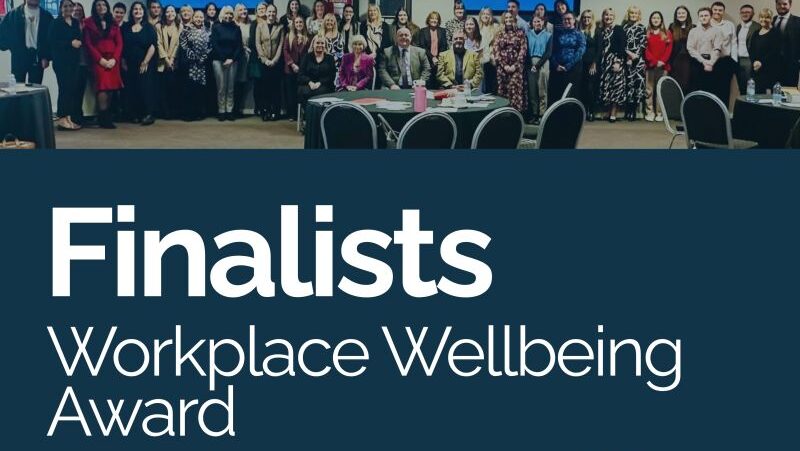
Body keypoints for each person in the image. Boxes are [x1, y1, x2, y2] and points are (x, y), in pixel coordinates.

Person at [84, 0, 123, 128]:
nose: (101, 7)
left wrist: (115, 59)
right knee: (102, 88)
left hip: (112, 60)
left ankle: (107, 115)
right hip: (99, 61)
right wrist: (100, 60)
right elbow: (88, 44)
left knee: (111, 88)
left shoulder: (113, 22)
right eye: (98, 5)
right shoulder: (88, 22)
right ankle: (103, 117)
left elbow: (119, 43)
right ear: (94, 8)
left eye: (104, 5)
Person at [121, 1, 158, 125]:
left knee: (145, 88)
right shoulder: (126, 27)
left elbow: (152, 46)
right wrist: (123, 61)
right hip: (129, 63)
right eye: (135, 9)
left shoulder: (149, 27)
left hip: (145, 63)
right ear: (132, 12)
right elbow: (122, 46)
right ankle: (135, 114)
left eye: (140, 9)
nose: (138, 11)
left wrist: (145, 62)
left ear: (144, 12)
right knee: (132, 88)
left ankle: (148, 114)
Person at [0, 0, 54, 84]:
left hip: (37, 58)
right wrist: (13, 48)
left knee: (35, 88)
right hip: (19, 58)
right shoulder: (14, 14)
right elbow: (3, 33)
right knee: (17, 87)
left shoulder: (46, 16)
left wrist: (47, 57)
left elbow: (52, 39)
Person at [48, 0, 82, 130]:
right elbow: (52, 42)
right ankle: (62, 119)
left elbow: (79, 37)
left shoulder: (75, 22)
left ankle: (68, 118)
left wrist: (78, 42)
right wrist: (70, 43)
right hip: (61, 62)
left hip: (74, 61)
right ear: (61, 8)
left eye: (70, 6)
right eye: (65, 6)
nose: (68, 8)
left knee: (71, 90)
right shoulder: (56, 23)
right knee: (64, 89)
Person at [210, 5, 242, 121]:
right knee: (221, 88)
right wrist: (224, 59)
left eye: (230, 14)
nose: (228, 16)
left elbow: (239, 46)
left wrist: (231, 59)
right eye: (226, 13)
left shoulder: (236, 28)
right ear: (222, 15)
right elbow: (214, 44)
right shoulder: (216, 27)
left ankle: (229, 111)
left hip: (233, 61)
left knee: (230, 88)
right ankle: (221, 111)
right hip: (218, 61)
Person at [179, 9, 211, 121]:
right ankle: (189, 113)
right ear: (193, 18)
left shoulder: (207, 30)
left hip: (202, 65)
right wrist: (194, 57)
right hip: (190, 64)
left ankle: (199, 112)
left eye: (201, 17)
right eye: (196, 17)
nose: (199, 19)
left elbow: (210, 46)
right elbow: (183, 45)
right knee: (190, 89)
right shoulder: (186, 30)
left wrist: (203, 58)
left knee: (200, 89)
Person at [548, 11, 585, 106]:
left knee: (571, 94)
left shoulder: (579, 34)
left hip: (573, 68)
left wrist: (568, 66)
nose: (567, 21)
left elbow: (580, 51)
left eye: (569, 19)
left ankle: (570, 114)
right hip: (558, 68)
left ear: (574, 20)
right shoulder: (557, 34)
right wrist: (556, 65)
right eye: (564, 19)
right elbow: (552, 50)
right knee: (558, 94)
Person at [493, 11, 527, 112]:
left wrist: (515, 66)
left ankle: (516, 114)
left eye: (510, 18)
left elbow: (523, 50)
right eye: (506, 18)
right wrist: (504, 66)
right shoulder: (499, 33)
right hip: (502, 69)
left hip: (516, 69)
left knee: (515, 91)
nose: (508, 20)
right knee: (503, 92)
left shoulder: (520, 33)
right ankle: (503, 114)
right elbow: (496, 50)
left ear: (514, 19)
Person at [255, 2, 283, 121]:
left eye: (273, 12)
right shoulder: (260, 26)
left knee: (275, 88)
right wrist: (264, 60)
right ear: (266, 13)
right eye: (269, 11)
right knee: (264, 88)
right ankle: (265, 111)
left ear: (276, 13)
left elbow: (280, 45)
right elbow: (258, 43)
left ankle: (275, 111)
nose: (271, 14)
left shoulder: (280, 27)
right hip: (264, 62)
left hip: (276, 63)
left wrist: (274, 60)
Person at [597, 8, 626, 122]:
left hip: (615, 61)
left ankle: (613, 112)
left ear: (614, 17)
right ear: (603, 16)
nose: (608, 17)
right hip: (603, 62)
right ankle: (607, 111)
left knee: (616, 87)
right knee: (606, 87)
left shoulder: (618, 29)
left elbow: (622, 46)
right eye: (606, 15)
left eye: (611, 15)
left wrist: (618, 62)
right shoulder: (600, 30)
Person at [644, 11, 673, 122]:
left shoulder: (667, 33)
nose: (655, 20)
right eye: (653, 18)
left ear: (661, 20)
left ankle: (659, 113)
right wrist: (654, 61)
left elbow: (669, 49)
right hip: (650, 66)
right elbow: (645, 50)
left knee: (660, 90)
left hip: (663, 66)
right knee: (649, 90)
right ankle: (650, 112)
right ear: (650, 20)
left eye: (658, 18)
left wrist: (662, 61)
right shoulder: (647, 33)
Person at [687, 7, 723, 96]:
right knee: (695, 89)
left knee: (710, 89)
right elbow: (690, 48)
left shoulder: (717, 31)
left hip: (712, 62)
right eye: (701, 16)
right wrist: (703, 61)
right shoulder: (693, 31)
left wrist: (711, 63)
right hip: (696, 62)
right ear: (699, 18)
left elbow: (717, 48)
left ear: (711, 16)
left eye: (706, 15)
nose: (703, 18)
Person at [710, 2, 737, 106]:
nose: (717, 12)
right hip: (710, 62)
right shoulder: (706, 22)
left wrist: (734, 61)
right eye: (715, 9)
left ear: (723, 12)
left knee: (725, 90)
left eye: (720, 10)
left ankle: (723, 113)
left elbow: (734, 43)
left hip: (725, 61)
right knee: (710, 88)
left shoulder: (729, 25)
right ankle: (711, 112)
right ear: (711, 10)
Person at [622, 6, 647, 121]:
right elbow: (622, 43)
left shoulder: (642, 27)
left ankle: (634, 111)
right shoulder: (624, 27)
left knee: (638, 85)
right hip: (627, 60)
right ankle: (628, 110)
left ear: (638, 15)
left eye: (636, 13)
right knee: (628, 85)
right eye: (631, 13)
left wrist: (635, 56)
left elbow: (643, 43)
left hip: (638, 61)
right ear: (629, 14)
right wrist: (629, 54)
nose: (633, 15)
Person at [156, 5, 180, 119]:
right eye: (168, 11)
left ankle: (173, 111)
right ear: (164, 14)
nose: (170, 13)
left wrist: (172, 59)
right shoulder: (159, 26)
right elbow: (158, 43)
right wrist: (166, 59)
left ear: (175, 13)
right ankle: (165, 113)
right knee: (162, 89)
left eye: (172, 11)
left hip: (174, 62)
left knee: (174, 88)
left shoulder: (179, 26)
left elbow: (177, 44)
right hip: (162, 62)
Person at [283, 15, 309, 120]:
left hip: (302, 69)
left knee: (301, 93)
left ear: (304, 24)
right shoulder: (288, 36)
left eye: (300, 22)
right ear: (294, 24)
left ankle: (301, 115)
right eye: (297, 22)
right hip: (290, 69)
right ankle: (292, 114)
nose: (299, 24)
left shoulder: (307, 38)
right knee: (290, 93)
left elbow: (308, 54)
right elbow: (285, 51)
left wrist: (301, 67)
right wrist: (292, 64)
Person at [527, 15, 552, 123]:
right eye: (535, 21)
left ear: (543, 22)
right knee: (532, 91)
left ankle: (542, 114)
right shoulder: (528, 34)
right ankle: (534, 113)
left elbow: (548, 53)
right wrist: (531, 65)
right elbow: (526, 51)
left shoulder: (548, 35)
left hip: (543, 63)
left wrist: (537, 66)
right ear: (532, 23)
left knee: (542, 91)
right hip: (530, 63)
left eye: (539, 21)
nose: (537, 23)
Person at [298, 35, 336, 105]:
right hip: (307, 85)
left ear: (325, 45)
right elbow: (301, 74)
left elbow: (332, 76)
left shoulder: (330, 58)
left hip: (325, 85)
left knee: (320, 92)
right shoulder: (306, 57)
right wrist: (310, 82)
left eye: (322, 43)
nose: (320, 45)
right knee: (305, 92)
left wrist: (320, 83)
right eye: (317, 43)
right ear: (313, 44)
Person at [750, 9, 782, 93]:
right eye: (761, 17)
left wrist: (761, 62)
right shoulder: (756, 33)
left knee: (770, 96)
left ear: (771, 19)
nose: (763, 19)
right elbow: (751, 49)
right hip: (757, 69)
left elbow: (775, 51)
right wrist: (754, 62)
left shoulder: (776, 32)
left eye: (767, 17)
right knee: (757, 95)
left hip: (770, 69)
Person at [416, 11, 447, 88]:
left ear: (438, 21)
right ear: (428, 20)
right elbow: (422, 46)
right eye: (432, 18)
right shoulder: (423, 31)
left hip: (439, 61)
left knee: (438, 84)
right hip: (427, 60)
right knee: (427, 84)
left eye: (436, 19)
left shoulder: (443, 31)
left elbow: (444, 46)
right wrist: (432, 58)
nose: (434, 20)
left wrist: (438, 58)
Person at [774, 0, 800, 86]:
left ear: (790, 5)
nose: (782, 6)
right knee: (773, 92)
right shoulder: (772, 20)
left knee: (789, 92)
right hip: (773, 66)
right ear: (776, 5)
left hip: (791, 67)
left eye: (785, 4)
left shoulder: (798, 21)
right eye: (779, 4)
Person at [669, 6, 694, 92]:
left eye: (683, 13)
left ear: (687, 14)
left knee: (687, 83)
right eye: (679, 13)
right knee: (675, 83)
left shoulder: (693, 27)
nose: (681, 15)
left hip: (689, 60)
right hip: (675, 59)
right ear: (676, 16)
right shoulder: (672, 27)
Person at [579, 9, 598, 122]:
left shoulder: (597, 31)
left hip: (592, 65)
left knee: (590, 88)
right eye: (584, 17)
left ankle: (591, 111)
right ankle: (584, 111)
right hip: (580, 64)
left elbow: (599, 49)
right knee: (582, 88)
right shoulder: (578, 31)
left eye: (588, 17)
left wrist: (594, 63)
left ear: (592, 19)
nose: (586, 19)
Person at [736, 5, 760, 94]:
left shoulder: (757, 27)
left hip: (749, 60)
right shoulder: (739, 26)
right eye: (742, 12)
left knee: (750, 87)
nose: (745, 14)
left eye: (748, 12)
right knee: (741, 86)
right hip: (738, 60)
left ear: (753, 14)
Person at [232, 3, 250, 117]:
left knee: (241, 83)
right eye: (240, 10)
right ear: (236, 12)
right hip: (234, 57)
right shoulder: (232, 24)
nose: (243, 11)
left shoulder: (250, 24)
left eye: (245, 9)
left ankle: (238, 108)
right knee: (232, 84)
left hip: (245, 58)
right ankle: (231, 109)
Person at [72, 1, 88, 124]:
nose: (77, 12)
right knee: (73, 91)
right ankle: (73, 116)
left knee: (81, 90)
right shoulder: (69, 24)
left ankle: (79, 115)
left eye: (80, 10)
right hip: (72, 64)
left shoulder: (86, 25)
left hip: (85, 62)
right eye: (75, 10)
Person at [478, 7, 499, 94]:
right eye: (483, 14)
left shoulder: (495, 27)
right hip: (480, 60)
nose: (485, 16)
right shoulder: (478, 28)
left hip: (491, 60)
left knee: (491, 87)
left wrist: (491, 54)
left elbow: (497, 43)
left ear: (491, 16)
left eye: (487, 14)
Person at [319, 13, 344, 82]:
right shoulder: (320, 36)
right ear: (324, 22)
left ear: (334, 23)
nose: (329, 22)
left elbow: (342, 53)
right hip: (324, 67)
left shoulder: (340, 36)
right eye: (327, 20)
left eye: (331, 20)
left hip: (338, 67)